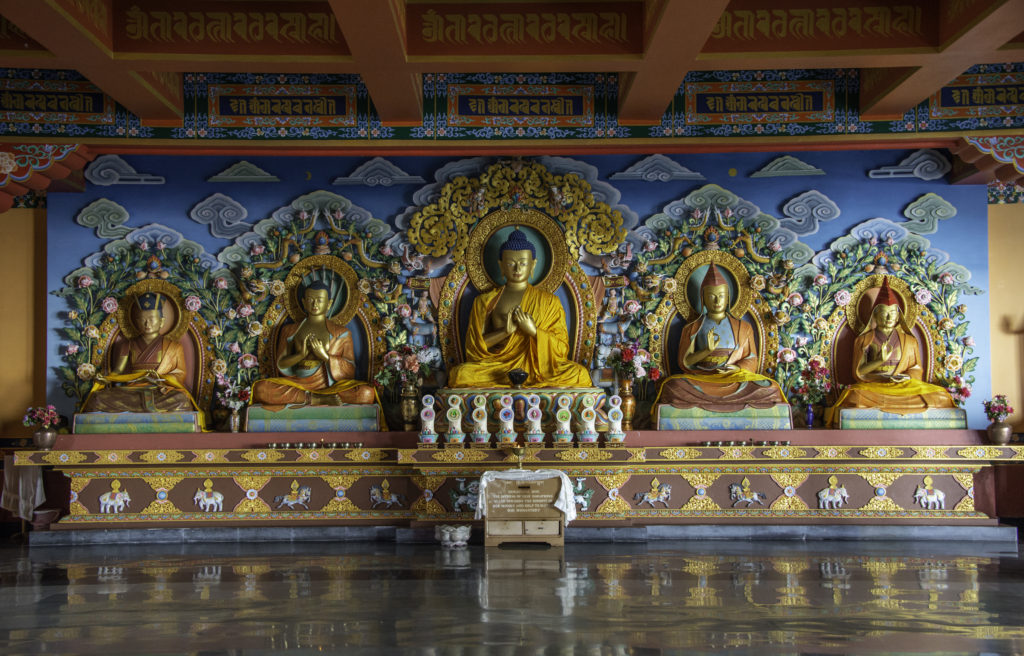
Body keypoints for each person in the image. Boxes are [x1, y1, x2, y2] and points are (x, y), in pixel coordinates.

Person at [448, 228, 592, 388]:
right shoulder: (484, 301)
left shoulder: (550, 301)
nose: (517, 269)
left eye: (523, 263)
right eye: (511, 263)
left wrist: (534, 331)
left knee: (580, 374)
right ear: (501, 265)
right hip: (499, 367)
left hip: (539, 368)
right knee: (460, 374)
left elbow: (561, 349)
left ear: (533, 264)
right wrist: (505, 332)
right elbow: (475, 348)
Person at [655, 264, 787, 411]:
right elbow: (685, 362)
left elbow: (752, 359)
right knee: (673, 387)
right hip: (702, 379)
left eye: (721, 296)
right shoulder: (692, 327)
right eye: (711, 296)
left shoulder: (744, 327)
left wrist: (737, 368)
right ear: (703, 298)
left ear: (728, 298)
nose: (717, 301)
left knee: (771, 388)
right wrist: (706, 350)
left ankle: (715, 402)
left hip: (735, 379)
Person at [826, 277, 955, 425]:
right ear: (874, 314)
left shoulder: (910, 341)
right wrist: (878, 361)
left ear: (899, 315)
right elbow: (859, 373)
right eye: (884, 312)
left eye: (893, 312)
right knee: (854, 395)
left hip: (904, 388)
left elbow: (916, 369)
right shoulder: (863, 340)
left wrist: (905, 377)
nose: (889, 317)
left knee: (941, 396)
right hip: (875, 387)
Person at [251, 280, 375, 408]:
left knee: (366, 393)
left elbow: (350, 371)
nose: (315, 304)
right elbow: (281, 364)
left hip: (330, 387)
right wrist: (300, 355)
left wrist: (325, 357)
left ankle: (317, 397)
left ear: (329, 303)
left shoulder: (341, 332)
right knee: (261, 389)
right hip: (296, 384)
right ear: (304, 302)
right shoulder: (289, 330)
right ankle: (316, 398)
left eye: (320, 300)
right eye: (310, 300)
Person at [82, 292, 201, 417]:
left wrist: (159, 377)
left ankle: (138, 410)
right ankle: (144, 409)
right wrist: (106, 378)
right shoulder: (127, 345)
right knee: (97, 399)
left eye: (151, 319)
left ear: (161, 321)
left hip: (160, 391)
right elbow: (118, 371)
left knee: (181, 399)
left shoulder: (174, 347)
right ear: (137, 321)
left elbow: (180, 374)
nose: (147, 324)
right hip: (132, 391)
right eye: (143, 320)